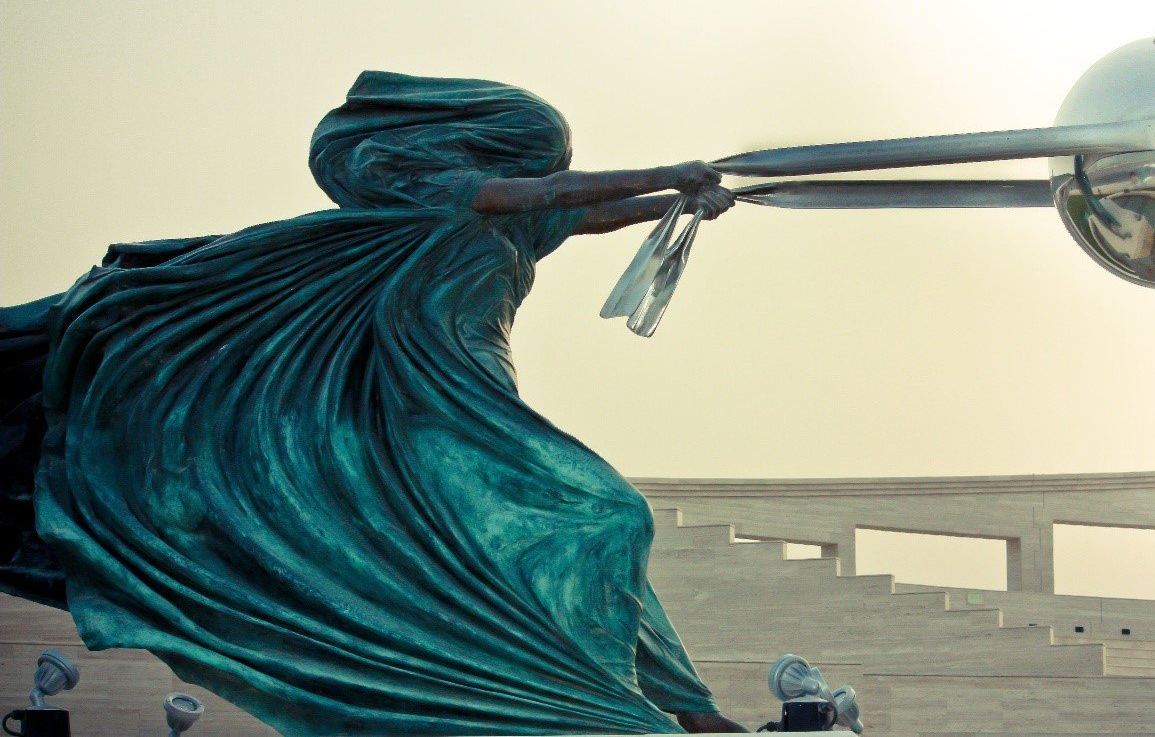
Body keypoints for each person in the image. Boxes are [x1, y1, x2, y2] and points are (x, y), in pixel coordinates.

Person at [0, 71, 747, 734]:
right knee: (611, 512)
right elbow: (550, 195)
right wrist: (668, 172)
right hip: (431, 390)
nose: (554, 166)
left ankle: (681, 703)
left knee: (581, 531)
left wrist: (681, 200)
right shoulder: (445, 195)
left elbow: (580, 210)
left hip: (471, 390)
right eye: (541, 153)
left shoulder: (510, 219)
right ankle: (613, 700)